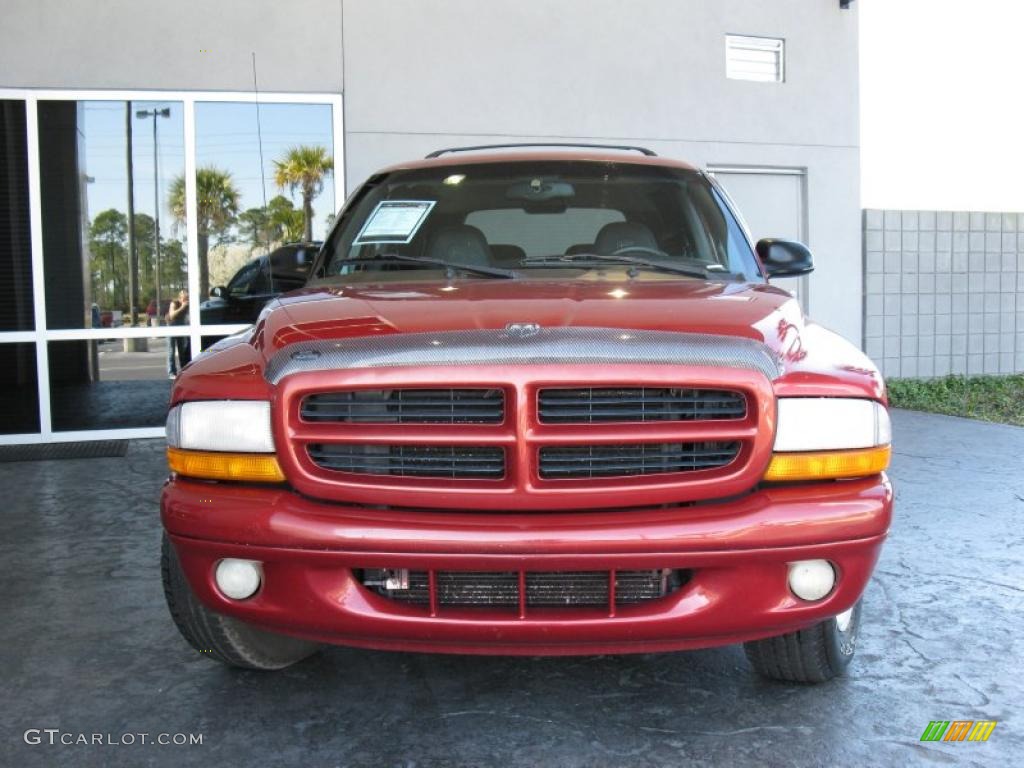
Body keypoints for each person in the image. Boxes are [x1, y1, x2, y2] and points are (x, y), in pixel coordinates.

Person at [165, 290, 192, 378]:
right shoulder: (174, 303)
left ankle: (184, 370)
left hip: (181, 326)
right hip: (171, 326)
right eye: (184, 298)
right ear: (180, 298)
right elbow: (172, 315)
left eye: (187, 298)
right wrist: (182, 307)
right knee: (171, 350)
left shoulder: (188, 305)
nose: (186, 300)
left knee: (182, 350)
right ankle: (171, 372)